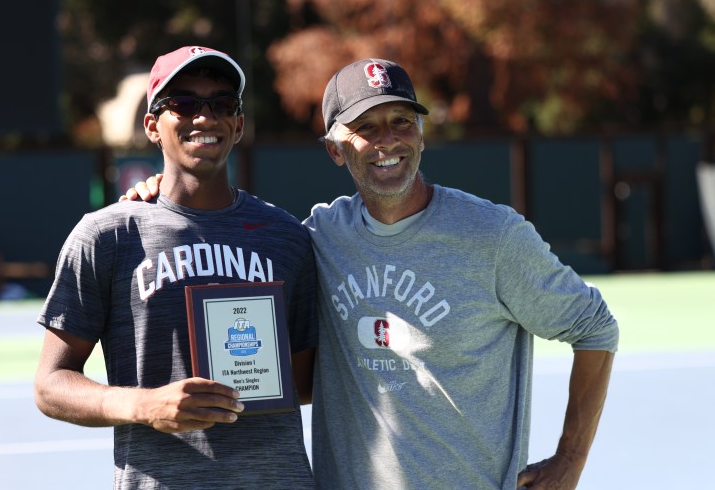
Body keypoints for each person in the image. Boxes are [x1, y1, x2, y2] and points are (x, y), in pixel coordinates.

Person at [125, 58, 619, 490]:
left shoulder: (493, 236)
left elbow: (595, 327)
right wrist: (163, 196)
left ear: (421, 135)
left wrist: (569, 462)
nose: (388, 141)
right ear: (336, 150)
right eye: (366, 128)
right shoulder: (318, 236)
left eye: (401, 121)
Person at [35, 46, 317, 489]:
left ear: (238, 124)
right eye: (183, 103)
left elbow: (303, 381)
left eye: (222, 104)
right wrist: (144, 406)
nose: (204, 117)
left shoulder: (288, 236)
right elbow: (50, 385)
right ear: (152, 126)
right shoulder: (107, 236)